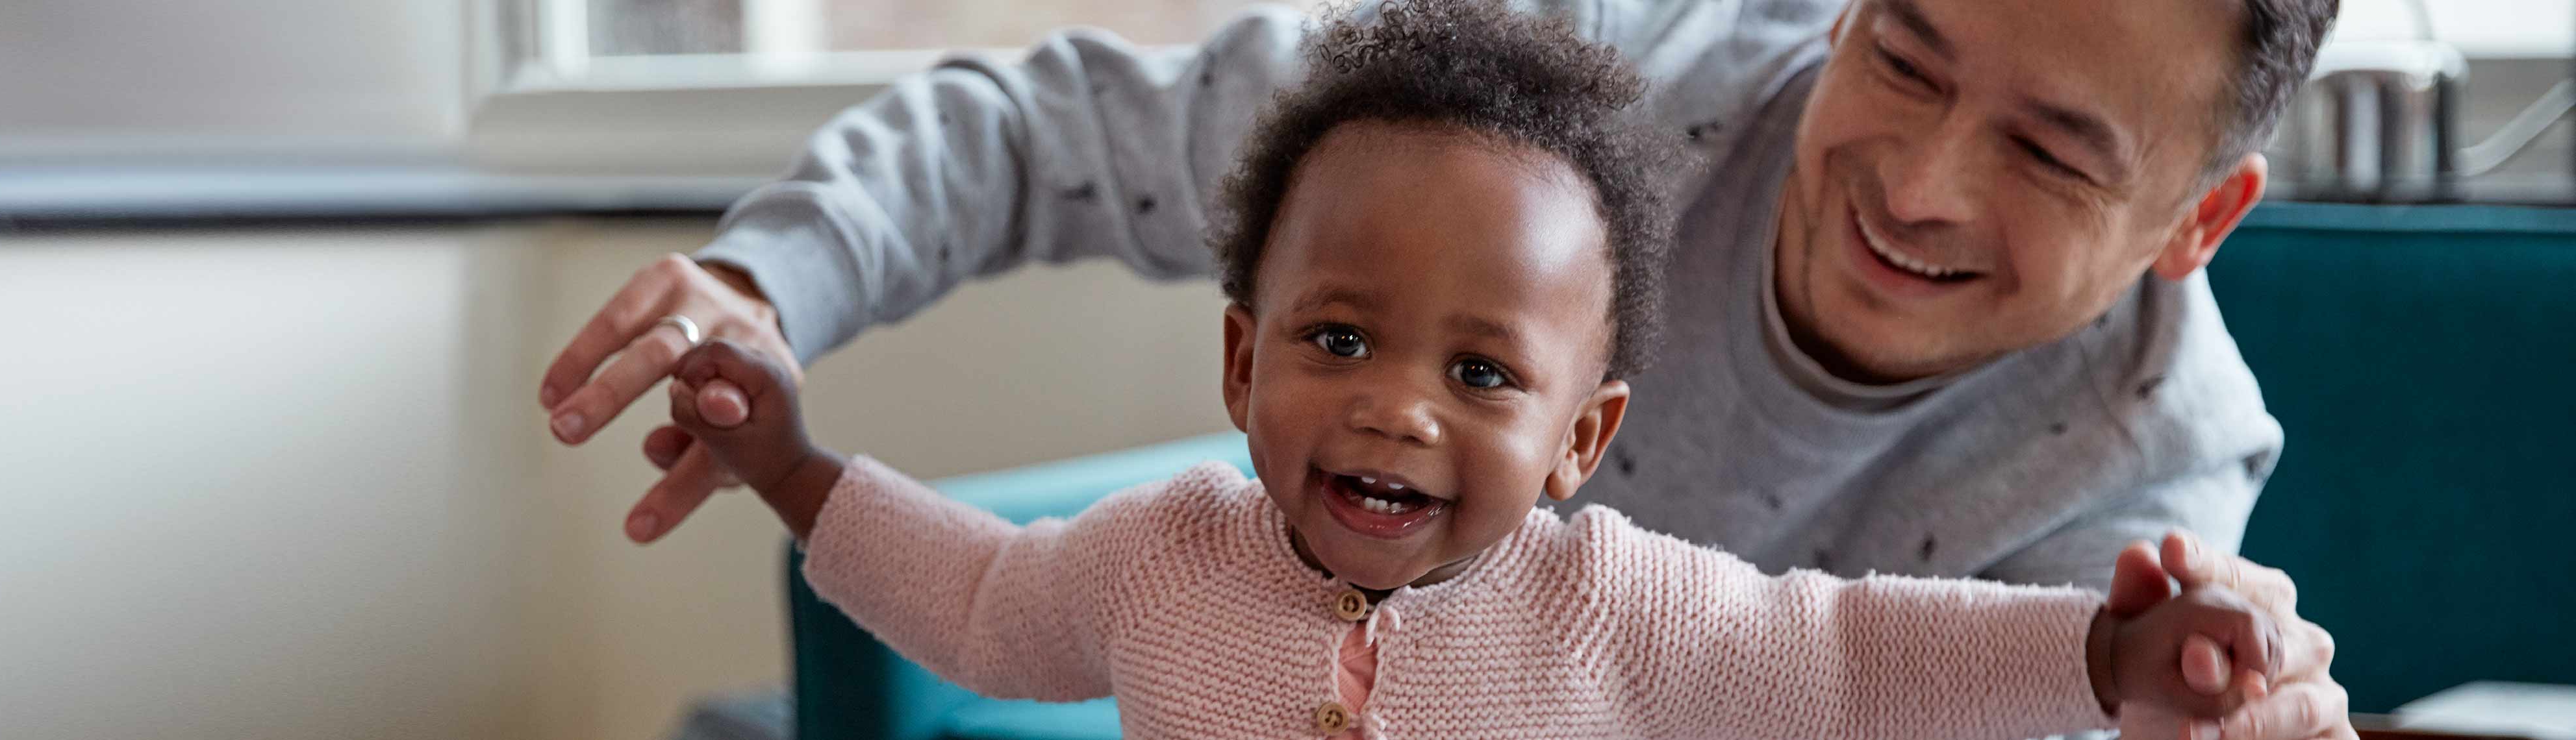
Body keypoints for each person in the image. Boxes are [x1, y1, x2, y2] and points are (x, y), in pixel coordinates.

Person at [539, 0, 2349, 737]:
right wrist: (763, 313)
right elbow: (1048, 134)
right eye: (1903, 52)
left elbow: (1855, 654)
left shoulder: (2147, 480)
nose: (1917, 180)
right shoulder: (1533, 117)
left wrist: (2141, 670)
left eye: (2048, 153)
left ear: (2197, 219)